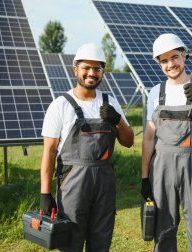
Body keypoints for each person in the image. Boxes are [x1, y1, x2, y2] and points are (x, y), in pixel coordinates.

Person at [40, 43, 134, 251]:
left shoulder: (111, 102)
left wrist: (117, 120)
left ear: (103, 72)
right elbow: (49, 151)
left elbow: (128, 141)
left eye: (97, 69)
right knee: (71, 242)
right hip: (73, 183)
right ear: (76, 69)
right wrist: (45, 193)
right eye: (86, 68)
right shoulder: (60, 105)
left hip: (104, 182)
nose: (91, 73)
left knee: (101, 241)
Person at [141, 33, 192, 252]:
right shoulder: (156, 92)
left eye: (174, 57)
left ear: (184, 54)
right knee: (163, 228)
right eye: (164, 60)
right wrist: (145, 176)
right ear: (159, 63)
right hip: (162, 167)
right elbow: (149, 137)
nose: (171, 64)